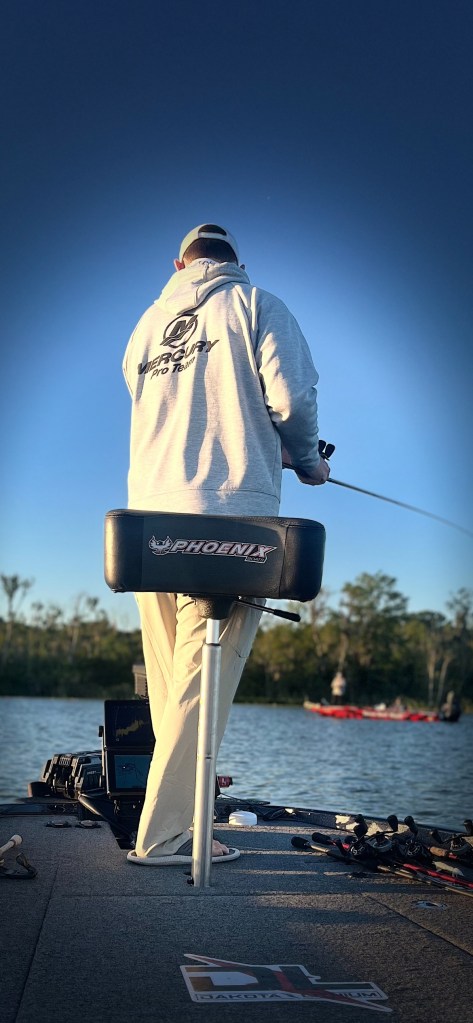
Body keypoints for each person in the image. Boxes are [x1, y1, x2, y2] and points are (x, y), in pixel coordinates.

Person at [122, 223, 329, 866]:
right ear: (238, 261)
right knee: (201, 685)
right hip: (230, 525)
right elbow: (291, 400)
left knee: (171, 688)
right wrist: (307, 461)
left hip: (146, 528)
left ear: (178, 263)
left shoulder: (145, 326)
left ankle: (180, 823)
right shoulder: (258, 303)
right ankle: (163, 837)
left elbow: (160, 404)